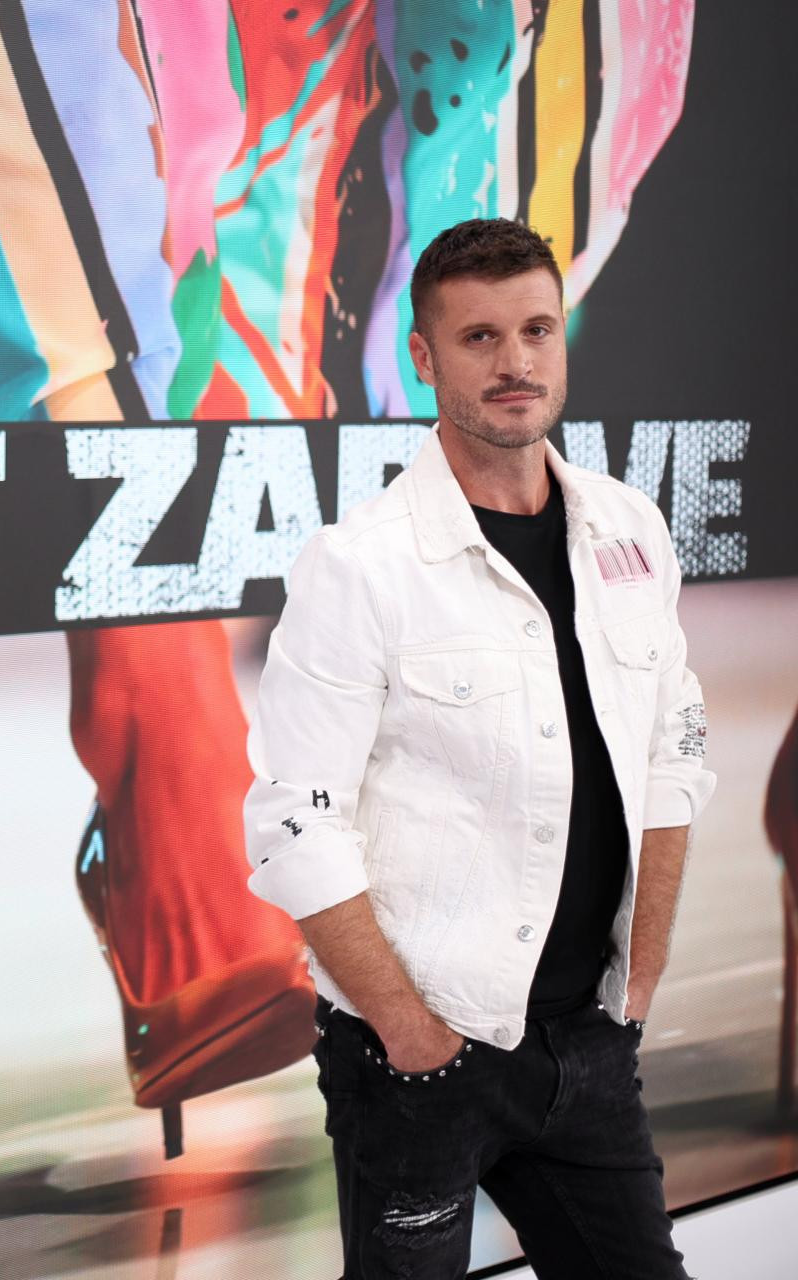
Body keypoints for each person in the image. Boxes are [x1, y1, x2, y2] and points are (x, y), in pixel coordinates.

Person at [243, 218, 716, 1279]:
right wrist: (409, 1031)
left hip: (587, 1042)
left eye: (536, 330)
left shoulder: (632, 531)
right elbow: (293, 824)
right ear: (423, 356)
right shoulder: (359, 565)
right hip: (423, 1058)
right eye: (479, 337)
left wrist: (638, 976)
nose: (515, 363)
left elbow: (672, 756)